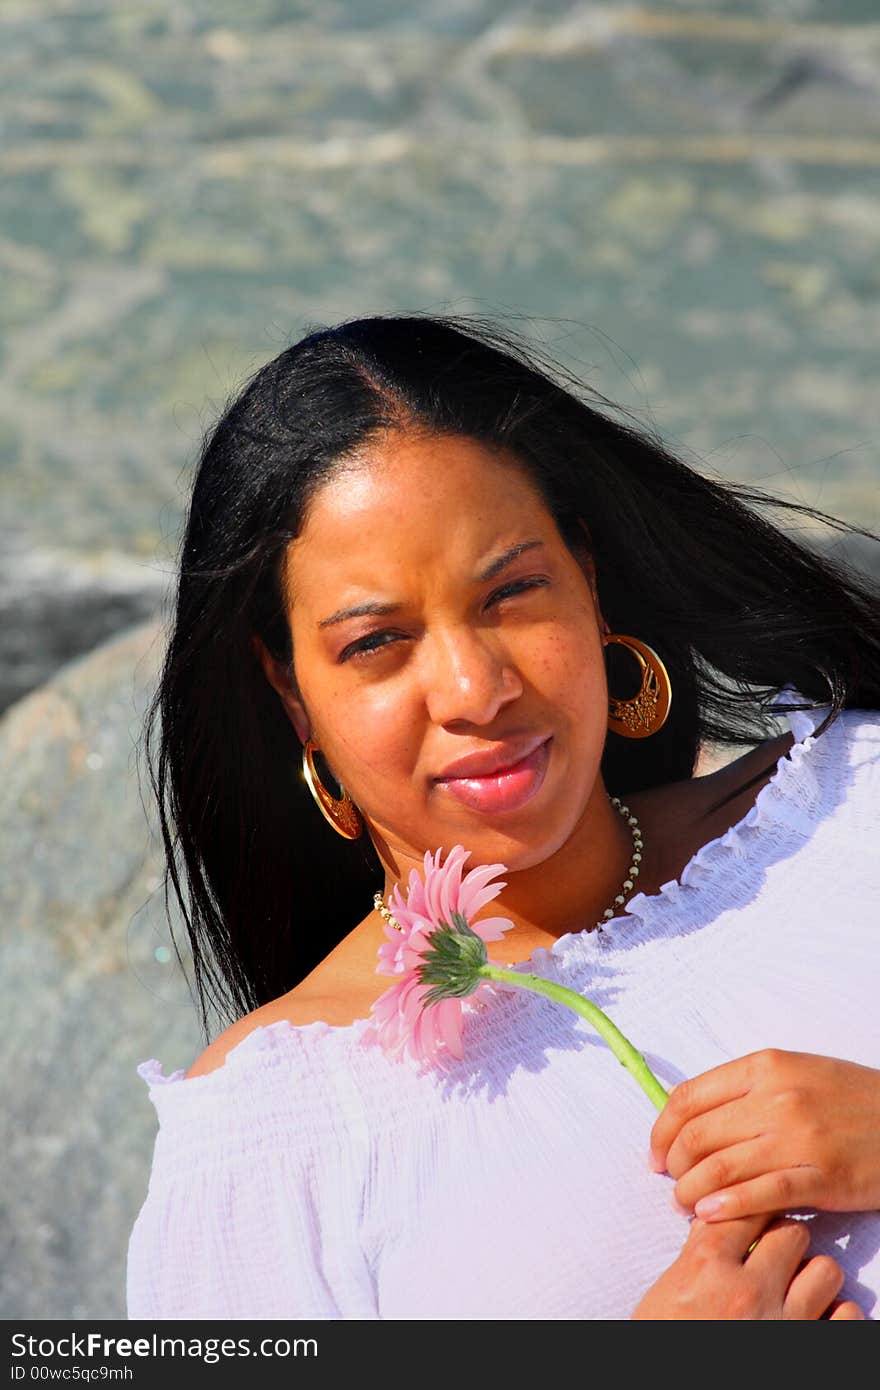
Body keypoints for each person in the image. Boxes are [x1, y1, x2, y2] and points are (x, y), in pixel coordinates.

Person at [126, 314, 879, 1320]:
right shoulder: (274, 1150)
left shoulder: (848, 814)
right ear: (292, 691)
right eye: (378, 641)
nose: (474, 688)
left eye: (512, 591)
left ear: (588, 580)